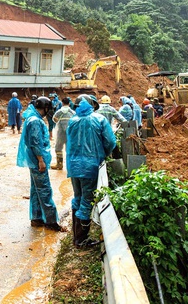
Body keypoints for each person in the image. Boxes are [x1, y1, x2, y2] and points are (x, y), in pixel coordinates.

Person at [66, 94, 117, 247]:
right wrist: (104, 154)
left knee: (78, 197)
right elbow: (110, 142)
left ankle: (76, 236)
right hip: (90, 166)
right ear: (92, 105)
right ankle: (81, 240)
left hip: (74, 166)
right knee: (87, 200)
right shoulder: (99, 119)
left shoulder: (72, 121)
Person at [16, 97, 66, 232]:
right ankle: (51, 221)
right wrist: (41, 160)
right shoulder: (35, 121)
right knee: (44, 190)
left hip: (34, 160)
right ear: (45, 108)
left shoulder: (31, 118)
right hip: (37, 161)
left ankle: (37, 218)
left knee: (36, 190)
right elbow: (35, 142)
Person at [51, 97, 74, 170]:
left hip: (61, 133)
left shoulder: (59, 112)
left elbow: (54, 119)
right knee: (69, 149)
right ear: (69, 103)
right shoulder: (72, 112)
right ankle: (70, 165)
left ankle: (59, 164)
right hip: (69, 133)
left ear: (62, 103)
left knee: (58, 148)